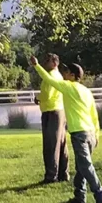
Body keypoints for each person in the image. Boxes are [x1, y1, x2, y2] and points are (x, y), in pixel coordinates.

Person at [30, 55, 102, 203]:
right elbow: (94, 114)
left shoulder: (68, 87)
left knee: (86, 167)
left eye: (66, 72)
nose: (64, 74)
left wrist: (36, 65)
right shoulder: (86, 91)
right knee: (81, 167)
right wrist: (97, 134)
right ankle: (79, 197)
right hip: (90, 132)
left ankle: (100, 195)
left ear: (72, 75)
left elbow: (48, 79)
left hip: (80, 133)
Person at [37, 53, 69, 184]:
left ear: (55, 63)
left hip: (51, 112)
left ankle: (51, 176)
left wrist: (37, 98)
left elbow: (47, 95)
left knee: (51, 145)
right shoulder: (58, 76)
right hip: (59, 111)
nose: (45, 62)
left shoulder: (51, 76)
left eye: (48, 61)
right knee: (61, 144)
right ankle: (63, 173)